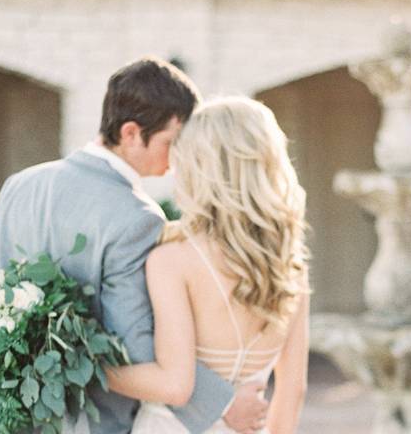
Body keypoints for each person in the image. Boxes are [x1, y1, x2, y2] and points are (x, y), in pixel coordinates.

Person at [0, 58, 268, 434]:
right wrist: (225, 403)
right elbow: (141, 349)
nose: (178, 159)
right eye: (172, 143)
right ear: (131, 132)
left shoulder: (19, 186)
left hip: (11, 419)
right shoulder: (139, 218)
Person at [106, 96, 310, 434]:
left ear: (201, 169)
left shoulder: (173, 261)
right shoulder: (291, 266)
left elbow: (175, 385)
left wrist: (88, 369)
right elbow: (293, 389)